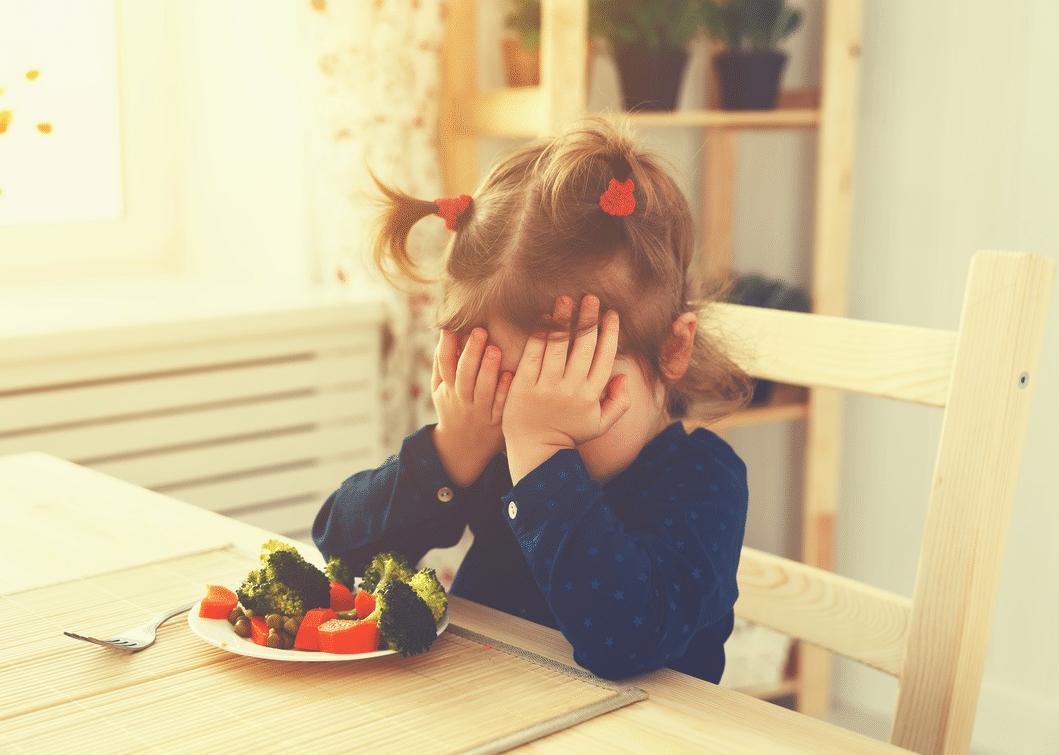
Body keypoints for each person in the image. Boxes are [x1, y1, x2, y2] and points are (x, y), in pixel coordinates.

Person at [312, 117, 753, 682]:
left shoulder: (704, 481)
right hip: (493, 724)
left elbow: (626, 640)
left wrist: (544, 455)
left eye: (568, 378)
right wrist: (450, 454)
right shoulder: (495, 447)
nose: (525, 412)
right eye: (505, 378)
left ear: (672, 349)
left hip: (641, 754)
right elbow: (341, 556)